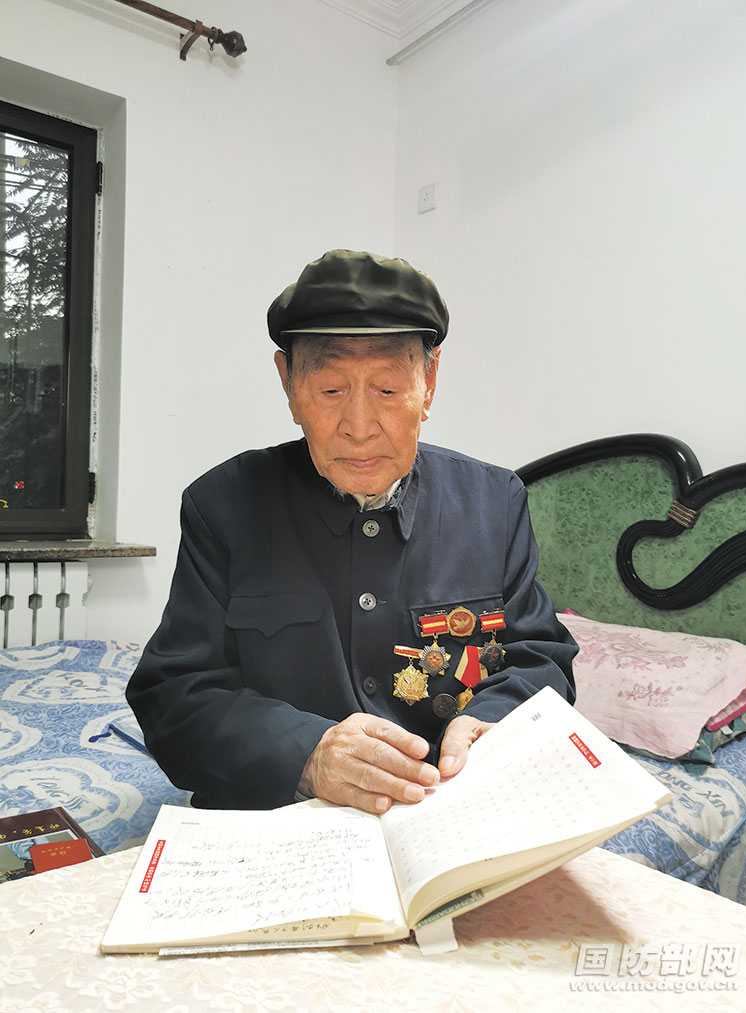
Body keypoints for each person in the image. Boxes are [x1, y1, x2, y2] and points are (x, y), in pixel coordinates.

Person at [127, 250, 577, 814]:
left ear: (429, 382)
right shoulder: (224, 505)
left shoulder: (494, 503)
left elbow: (540, 658)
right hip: (280, 820)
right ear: (288, 383)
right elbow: (172, 696)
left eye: (387, 390)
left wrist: (493, 720)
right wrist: (305, 755)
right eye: (330, 391)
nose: (360, 429)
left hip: (442, 814)